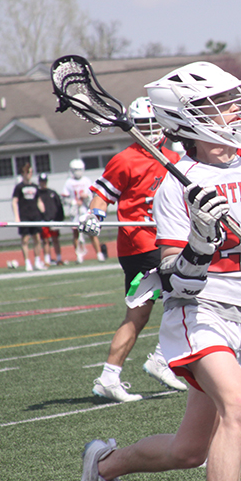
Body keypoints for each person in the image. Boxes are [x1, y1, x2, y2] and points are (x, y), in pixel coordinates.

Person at [68, 61, 241, 481]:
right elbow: (176, 280)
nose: (235, 108)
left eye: (232, 99)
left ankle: (102, 465)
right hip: (200, 312)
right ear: (188, 117)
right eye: (221, 103)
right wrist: (200, 240)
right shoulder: (176, 187)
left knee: (189, 451)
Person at [78, 96, 187, 402]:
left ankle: (108, 378)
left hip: (166, 240)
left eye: (155, 124)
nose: (151, 130)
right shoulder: (125, 159)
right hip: (141, 244)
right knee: (186, 298)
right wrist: (94, 215)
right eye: (144, 125)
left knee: (137, 316)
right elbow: (102, 195)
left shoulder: (172, 158)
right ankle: (162, 359)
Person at [63, 159, 105, 263]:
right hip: (75, 212)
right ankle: (79, 255)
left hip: (86, 210)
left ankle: (99, 254)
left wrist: (87, 197)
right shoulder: (69, 182)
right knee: (76, 234)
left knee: (92, 231)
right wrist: (73, 202)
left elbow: (92, 195)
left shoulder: (86, 180)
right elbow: (65, 198)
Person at [11, 163, 47, 271]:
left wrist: (43, 211)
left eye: (30, 172)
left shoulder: (35, 187)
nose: (29, 174)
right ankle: (27, 262)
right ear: (22, 174)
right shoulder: (19, 187)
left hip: (35, 216)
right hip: (24, 216)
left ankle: (37, 261)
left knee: (37, 238)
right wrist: (17, 217)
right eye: (27, 172)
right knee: (25, 239)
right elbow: (14, 202)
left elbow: (38, 200)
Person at [36, 173, 65, 266]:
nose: (43, 183)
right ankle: (47, 260)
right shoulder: (37, 194)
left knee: (55, 239)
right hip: (43, 221)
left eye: (44, 181)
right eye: (41, 181)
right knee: (45, 240)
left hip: (54, 220)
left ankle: (59, 258)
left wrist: (59, 218)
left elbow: (59, 206)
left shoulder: (52, 193)